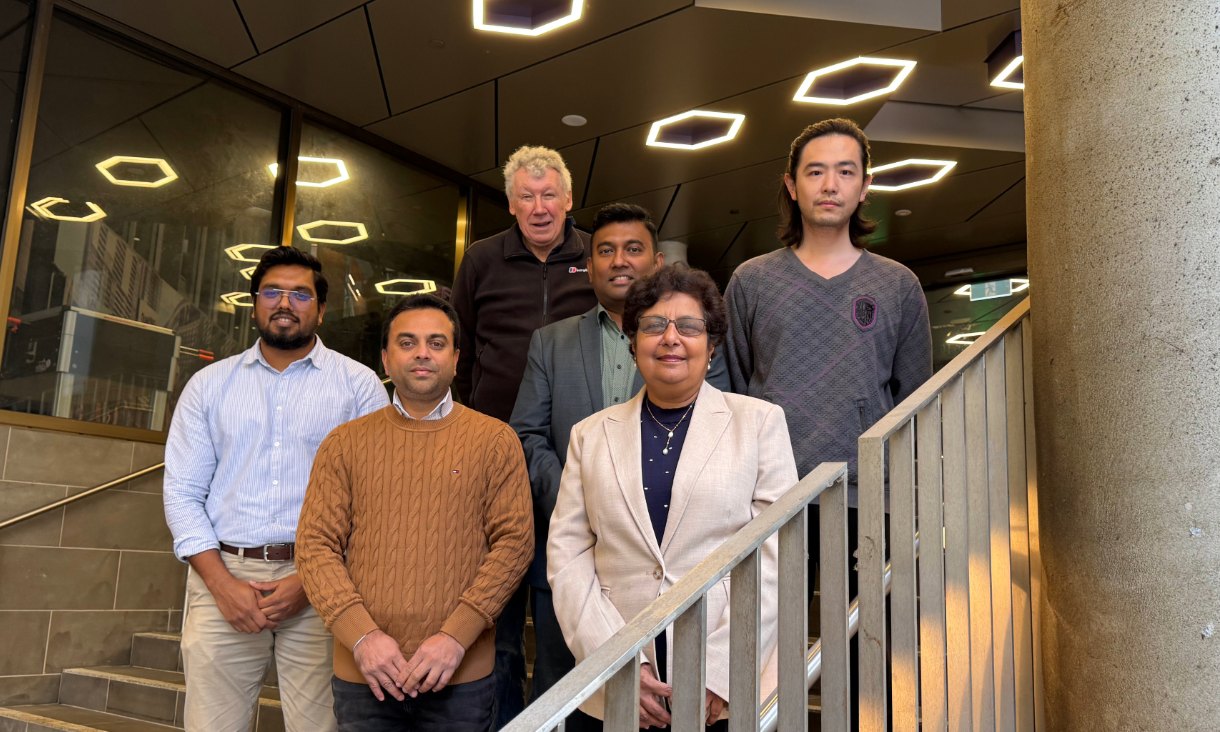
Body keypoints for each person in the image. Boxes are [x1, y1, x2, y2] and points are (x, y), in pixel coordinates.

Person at [723, 118, 932, 728]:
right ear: (791, 185)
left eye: (845, 171)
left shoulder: (897, 286)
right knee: (767, 654)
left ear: (864, 187)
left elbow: (915, 399)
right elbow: (734, 392)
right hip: (773, 500)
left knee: (869, 655)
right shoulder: (752, 281)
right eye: (816, 171)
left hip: (867, 499)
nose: (830, 184)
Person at [548, 266, 797, 729]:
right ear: (633, 340)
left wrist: (719, 672)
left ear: (712, 344)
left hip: (723, 677)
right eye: (654, 325)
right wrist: (616, 664)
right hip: (615, 675)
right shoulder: (591, 435)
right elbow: (568, 556)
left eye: (688, 326)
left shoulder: (759, 423)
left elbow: (776, 555)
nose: (671, 338)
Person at [510, 203, 731, 715]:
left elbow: (713, 439)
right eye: (604, 251)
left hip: (675, 562)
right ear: (588, 266)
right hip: (569, 559)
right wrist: (580, 492)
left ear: (655, 261)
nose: (618, 261)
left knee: (670, 703)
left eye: (633, 249)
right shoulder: (551, 342)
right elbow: (526, 436)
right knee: (565, 693)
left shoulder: (694, 345)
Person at [163, 246, 389, 732]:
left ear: (321, 309)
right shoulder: (208, 386)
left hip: (325, 583)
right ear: (254, 303)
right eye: (272, 291)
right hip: (221, 575)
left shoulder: (359, 386)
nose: (285, 303)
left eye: (300, 294)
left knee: (322, 726)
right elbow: (182, 493)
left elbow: (374, 501)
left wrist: (309, 583)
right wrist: (223, 586)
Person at [295, 294, 533, 731]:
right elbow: (314, 547)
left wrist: (455, 636)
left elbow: (515, 545)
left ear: (456, 359)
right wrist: (362, 637)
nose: (422, 352)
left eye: (436, 343)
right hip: (365, 675)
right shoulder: (344, 443)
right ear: (386, 359)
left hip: (460, 676)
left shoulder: (496, 441)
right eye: (407, 342)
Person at [450, 144, 596, 725]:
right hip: (491, 460)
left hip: (571, 460)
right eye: (526, 197)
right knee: (497, 618)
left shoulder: (596, 256)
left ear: (568, 199)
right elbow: (456, 350)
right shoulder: (482, 260)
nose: (539, 207)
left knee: (565, 617)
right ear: (511, 205)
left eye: (549, 195)